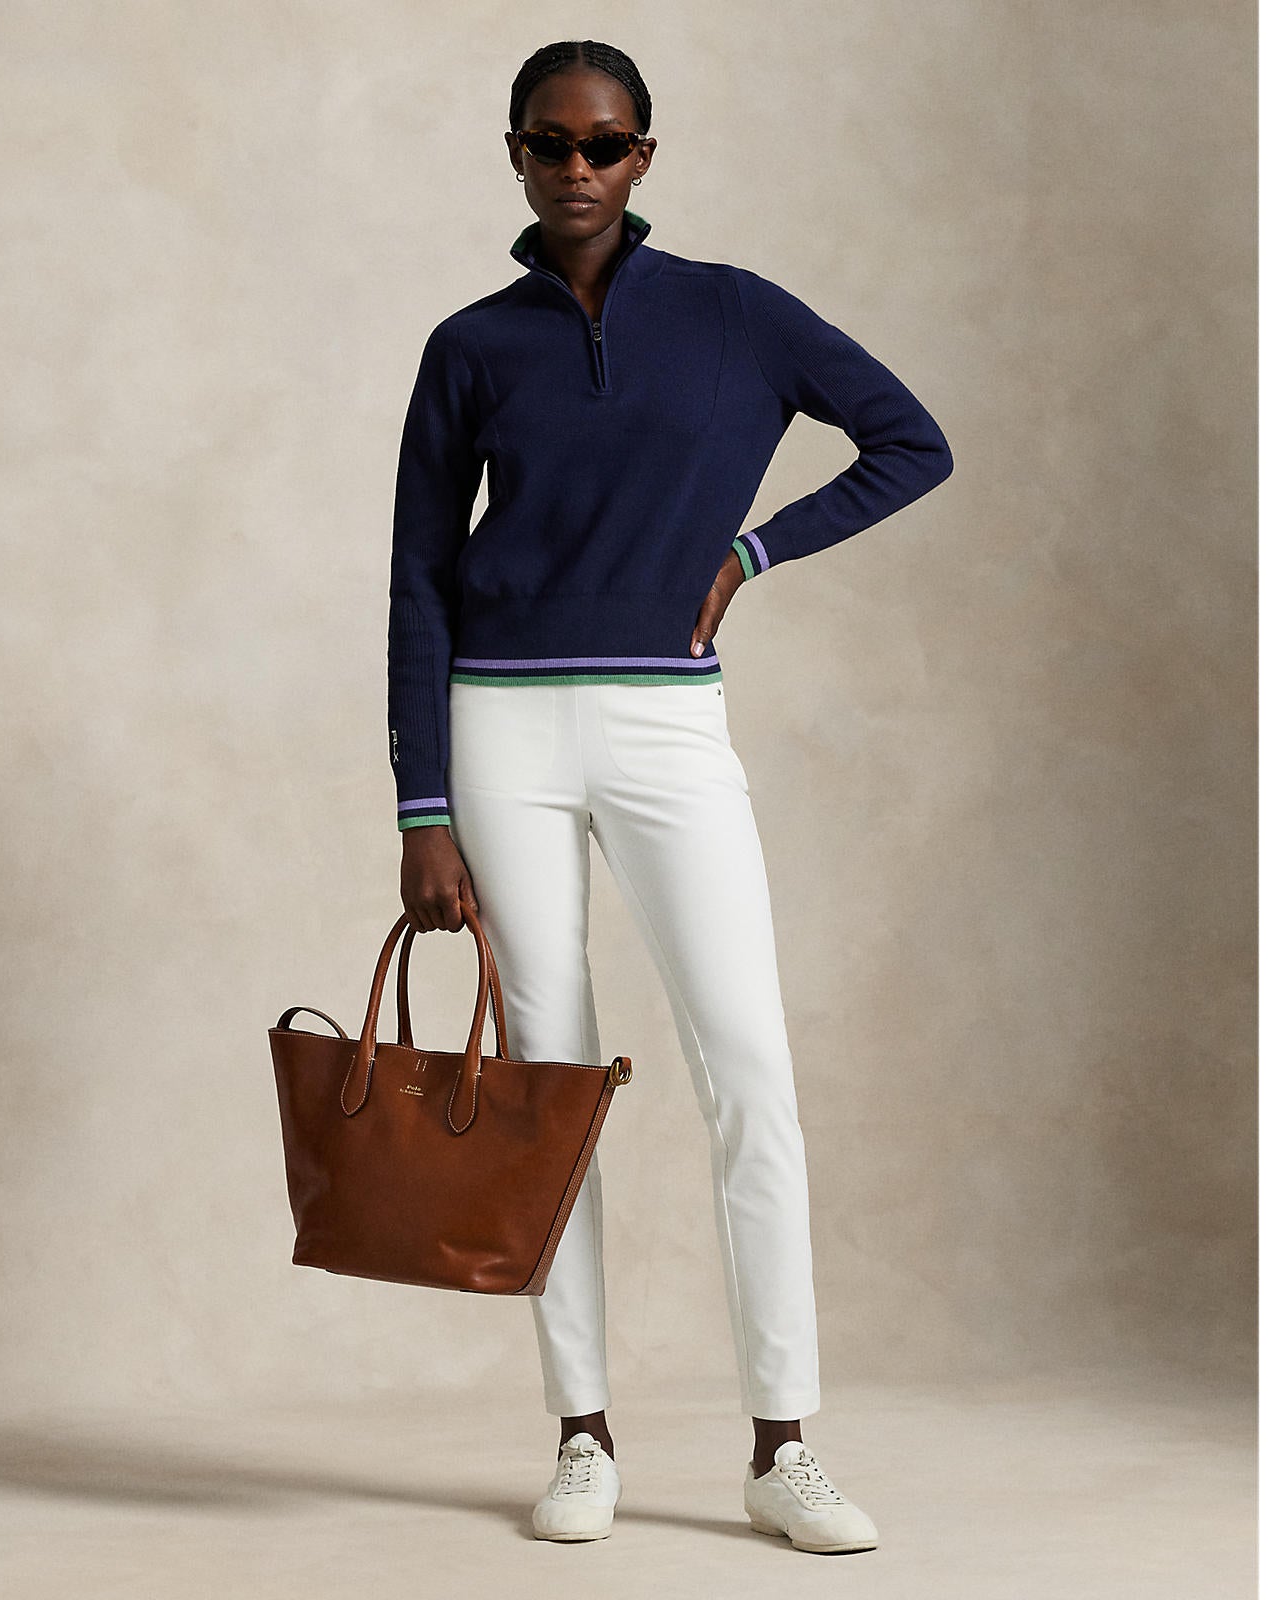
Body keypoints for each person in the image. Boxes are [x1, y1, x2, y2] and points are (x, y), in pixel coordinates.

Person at [386, 39, 953, 1554]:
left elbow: (912, 441)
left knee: (748, 1069)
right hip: (499, 729)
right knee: (547, 1082)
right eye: (548, 143)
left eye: (604, 144)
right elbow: (418, 581)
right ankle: (581, 1431)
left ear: (645, 156)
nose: (575, 168)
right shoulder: (470, 346)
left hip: (663, 723)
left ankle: (783, 1447)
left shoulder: (734, 314)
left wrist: (753, 553)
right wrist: (422, 809)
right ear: (515, 153)